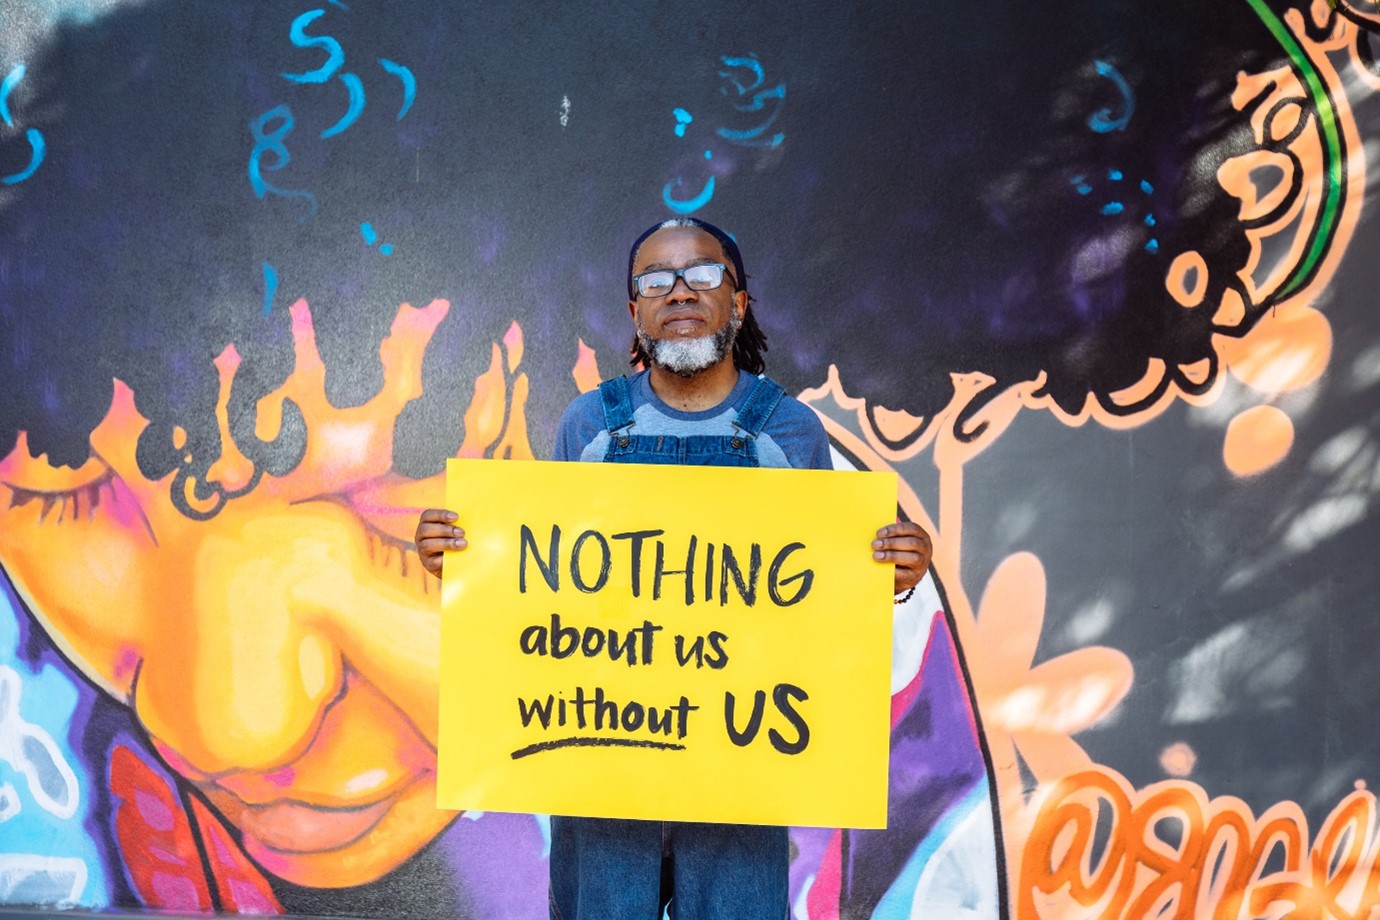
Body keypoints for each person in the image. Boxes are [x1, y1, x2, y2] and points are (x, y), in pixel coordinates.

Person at [415, 216, 932, 919]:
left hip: (740, 770)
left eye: (703, 275)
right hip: (603, 767)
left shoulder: (788, 433)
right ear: (635, 311)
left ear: (738, 302)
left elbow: (820, 616)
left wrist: (890, 579)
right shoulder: (589, 428)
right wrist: (469, 569)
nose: (680, 292)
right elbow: (548, 591)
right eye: (656, 281)